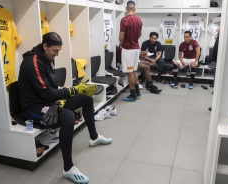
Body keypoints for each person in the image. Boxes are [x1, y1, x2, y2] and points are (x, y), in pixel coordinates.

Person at [18, 32, 112, 184]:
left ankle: (94, 137)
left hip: (47, 101)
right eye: (55, 50)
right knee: (68, 116)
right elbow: (47, 93)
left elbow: (52, 88)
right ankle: (68, 168)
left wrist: (62, 95)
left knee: (86, 99)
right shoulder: (33, 62)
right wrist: (71, 91)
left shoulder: (47, 58)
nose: (57, 54)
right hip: (33, 108)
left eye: (59, 51)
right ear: (45, 46)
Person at [119, 1, 142, 102]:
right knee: (133, 71)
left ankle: (132, 94)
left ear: (126, 8)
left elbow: (121, 36)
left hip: (128, 50)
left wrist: (121, 43)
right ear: (134, 9)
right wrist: (134, 40)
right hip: (136, 48)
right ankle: (137, 91)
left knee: (129, 72)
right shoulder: (139, 20)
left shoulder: (124, 20)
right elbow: (140, 34)